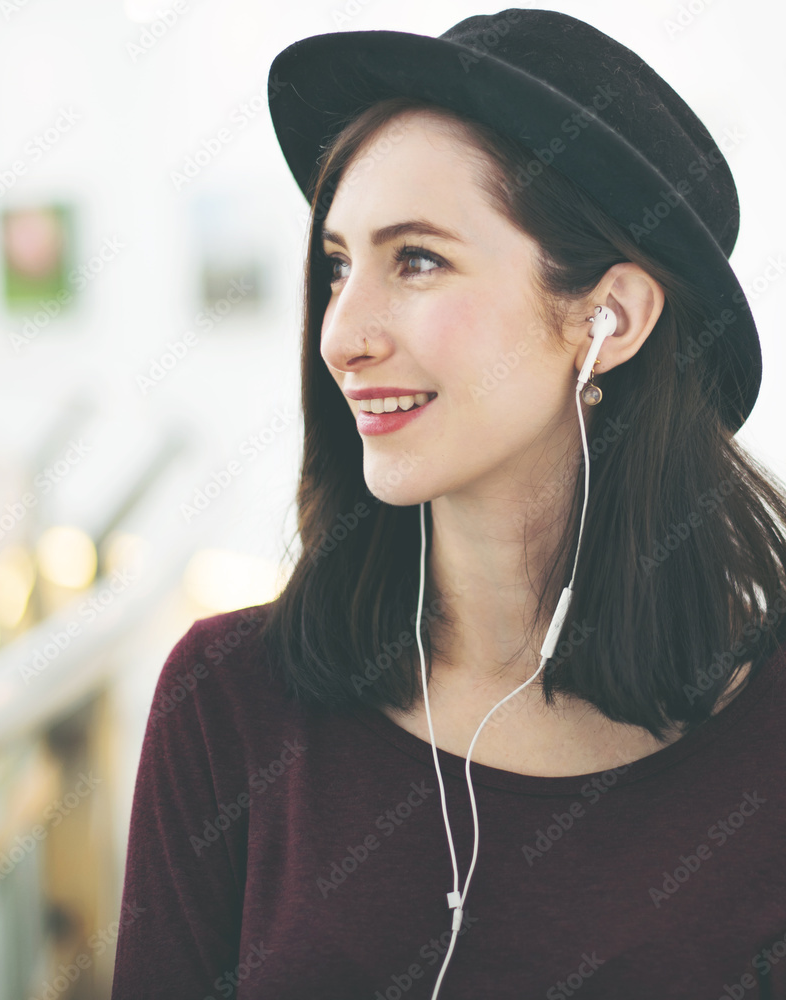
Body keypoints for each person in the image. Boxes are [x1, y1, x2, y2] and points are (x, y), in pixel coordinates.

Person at [111, 10, 786, 998]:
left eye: (416, 258)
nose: (341, 334)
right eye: (338, 265)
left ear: (610, 316)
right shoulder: (228, 703)